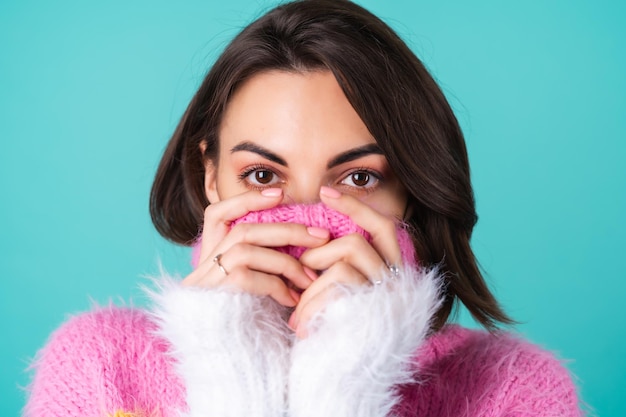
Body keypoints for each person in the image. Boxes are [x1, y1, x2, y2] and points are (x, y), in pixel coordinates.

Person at [23, 0, 583, 416]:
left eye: (359, 177)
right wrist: (229, 370)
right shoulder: (98, 366)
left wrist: (350, 380)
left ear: (409, 191)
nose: (308, 221)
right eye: (263, 176)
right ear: (211, 177)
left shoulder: (514, 391)